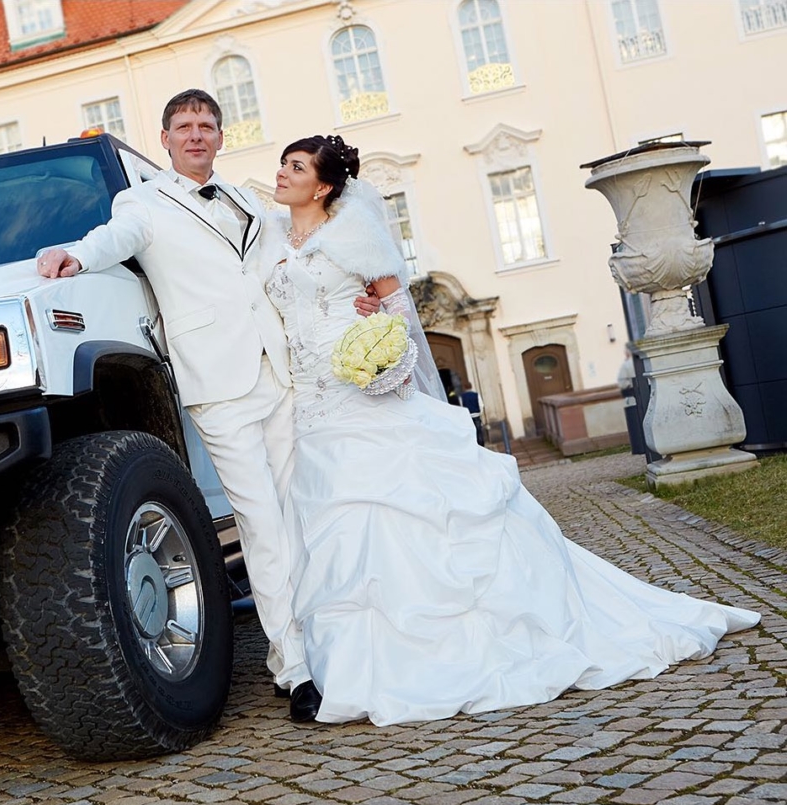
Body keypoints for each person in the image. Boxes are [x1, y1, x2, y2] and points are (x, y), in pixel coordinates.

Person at [266, 134, 760, 726]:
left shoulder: (354, 234)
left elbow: (397, 310)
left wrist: (382, 361)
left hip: (360, 394)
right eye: (283, 164)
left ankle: (433, 655)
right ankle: (346, 664)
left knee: (400, 517)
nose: (282, 173)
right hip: (312, 408)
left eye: (295, 167)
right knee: (335, 534)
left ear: (322, 185)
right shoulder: (274, 236)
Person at [37, 91, 379, 697]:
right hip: (217, 384)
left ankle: (302, 646)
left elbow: (304, 247)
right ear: (165, 139)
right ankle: (296, 666)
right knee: (260, 521)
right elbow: (114, 238)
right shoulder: (140, 202)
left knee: (296, 512)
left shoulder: (250, 198)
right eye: (183, 127)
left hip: (279, 372)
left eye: (206, 126)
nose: (196, 135)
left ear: (221, 136)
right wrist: (73, 255)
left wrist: (367, 290)